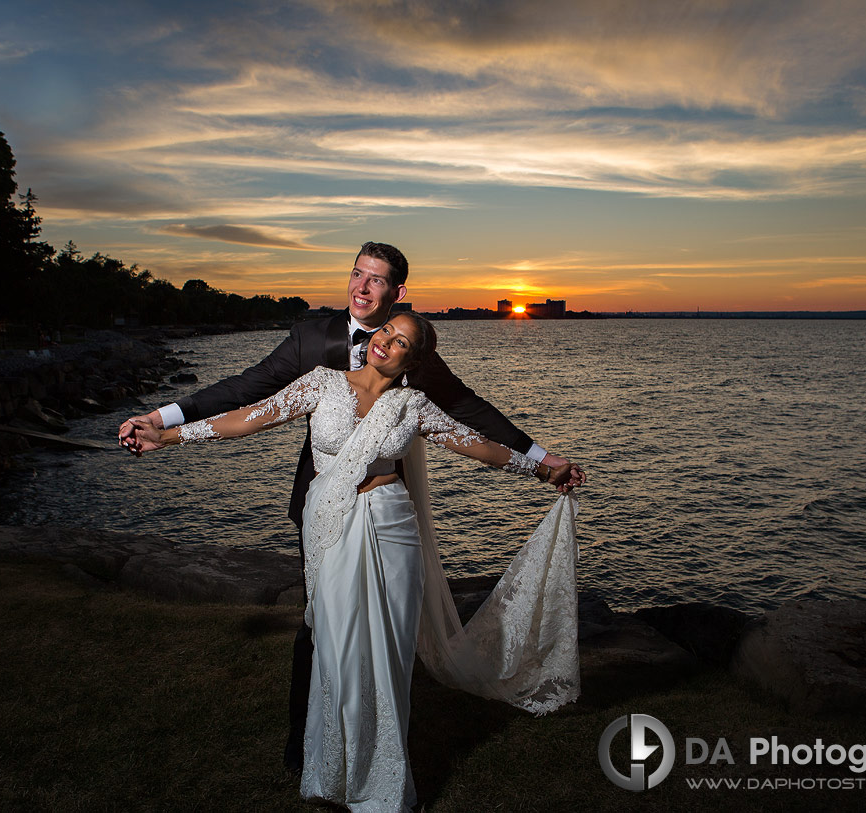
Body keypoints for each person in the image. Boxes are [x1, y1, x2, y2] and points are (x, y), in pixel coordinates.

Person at [117, 241, 583, 773]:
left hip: (389, 515)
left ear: (396, 292)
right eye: (356, 274)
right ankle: (309, 743)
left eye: (376, 280)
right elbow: (248, 397)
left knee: (387, 631)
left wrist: (544, 460)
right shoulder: (313, 340)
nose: (360, 288)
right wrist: (163, 421)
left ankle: (383, 749)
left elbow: (468, 416)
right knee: (318, 627)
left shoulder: (416, 364)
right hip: (323, 507)